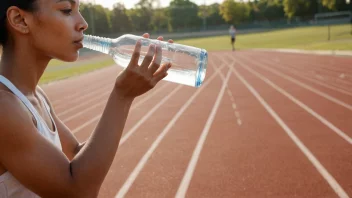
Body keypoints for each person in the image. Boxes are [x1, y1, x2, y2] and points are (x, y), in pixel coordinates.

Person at [0, 0, 173, 197]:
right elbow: (78, 190)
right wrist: (122, 97)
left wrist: (125, 96)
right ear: (20, 20)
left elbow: (76, 152)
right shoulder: (4, 107)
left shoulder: (35, 95)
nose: (83, 23)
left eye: (79, 10)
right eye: (67, 10)